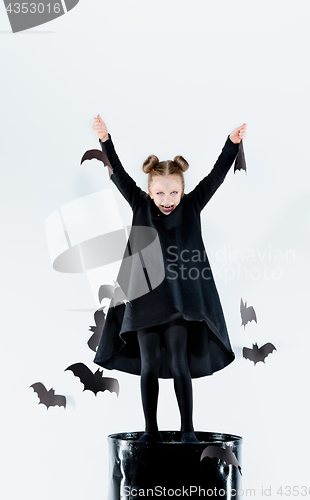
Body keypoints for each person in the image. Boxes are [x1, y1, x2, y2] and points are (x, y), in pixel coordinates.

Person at [92, 115, 247, 443]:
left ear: (182, 189)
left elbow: (216, 176)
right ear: (149, 190)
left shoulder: (191, 206)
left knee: (179, 362)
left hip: (179, 303)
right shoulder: (140, 204)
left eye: (173, 192)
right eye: (160, 193)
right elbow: (117, 172)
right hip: (145, 301)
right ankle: (150, 431)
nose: (167, 199)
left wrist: (232, 144)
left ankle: (187, 429)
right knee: (149, 366)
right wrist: (105, 141)